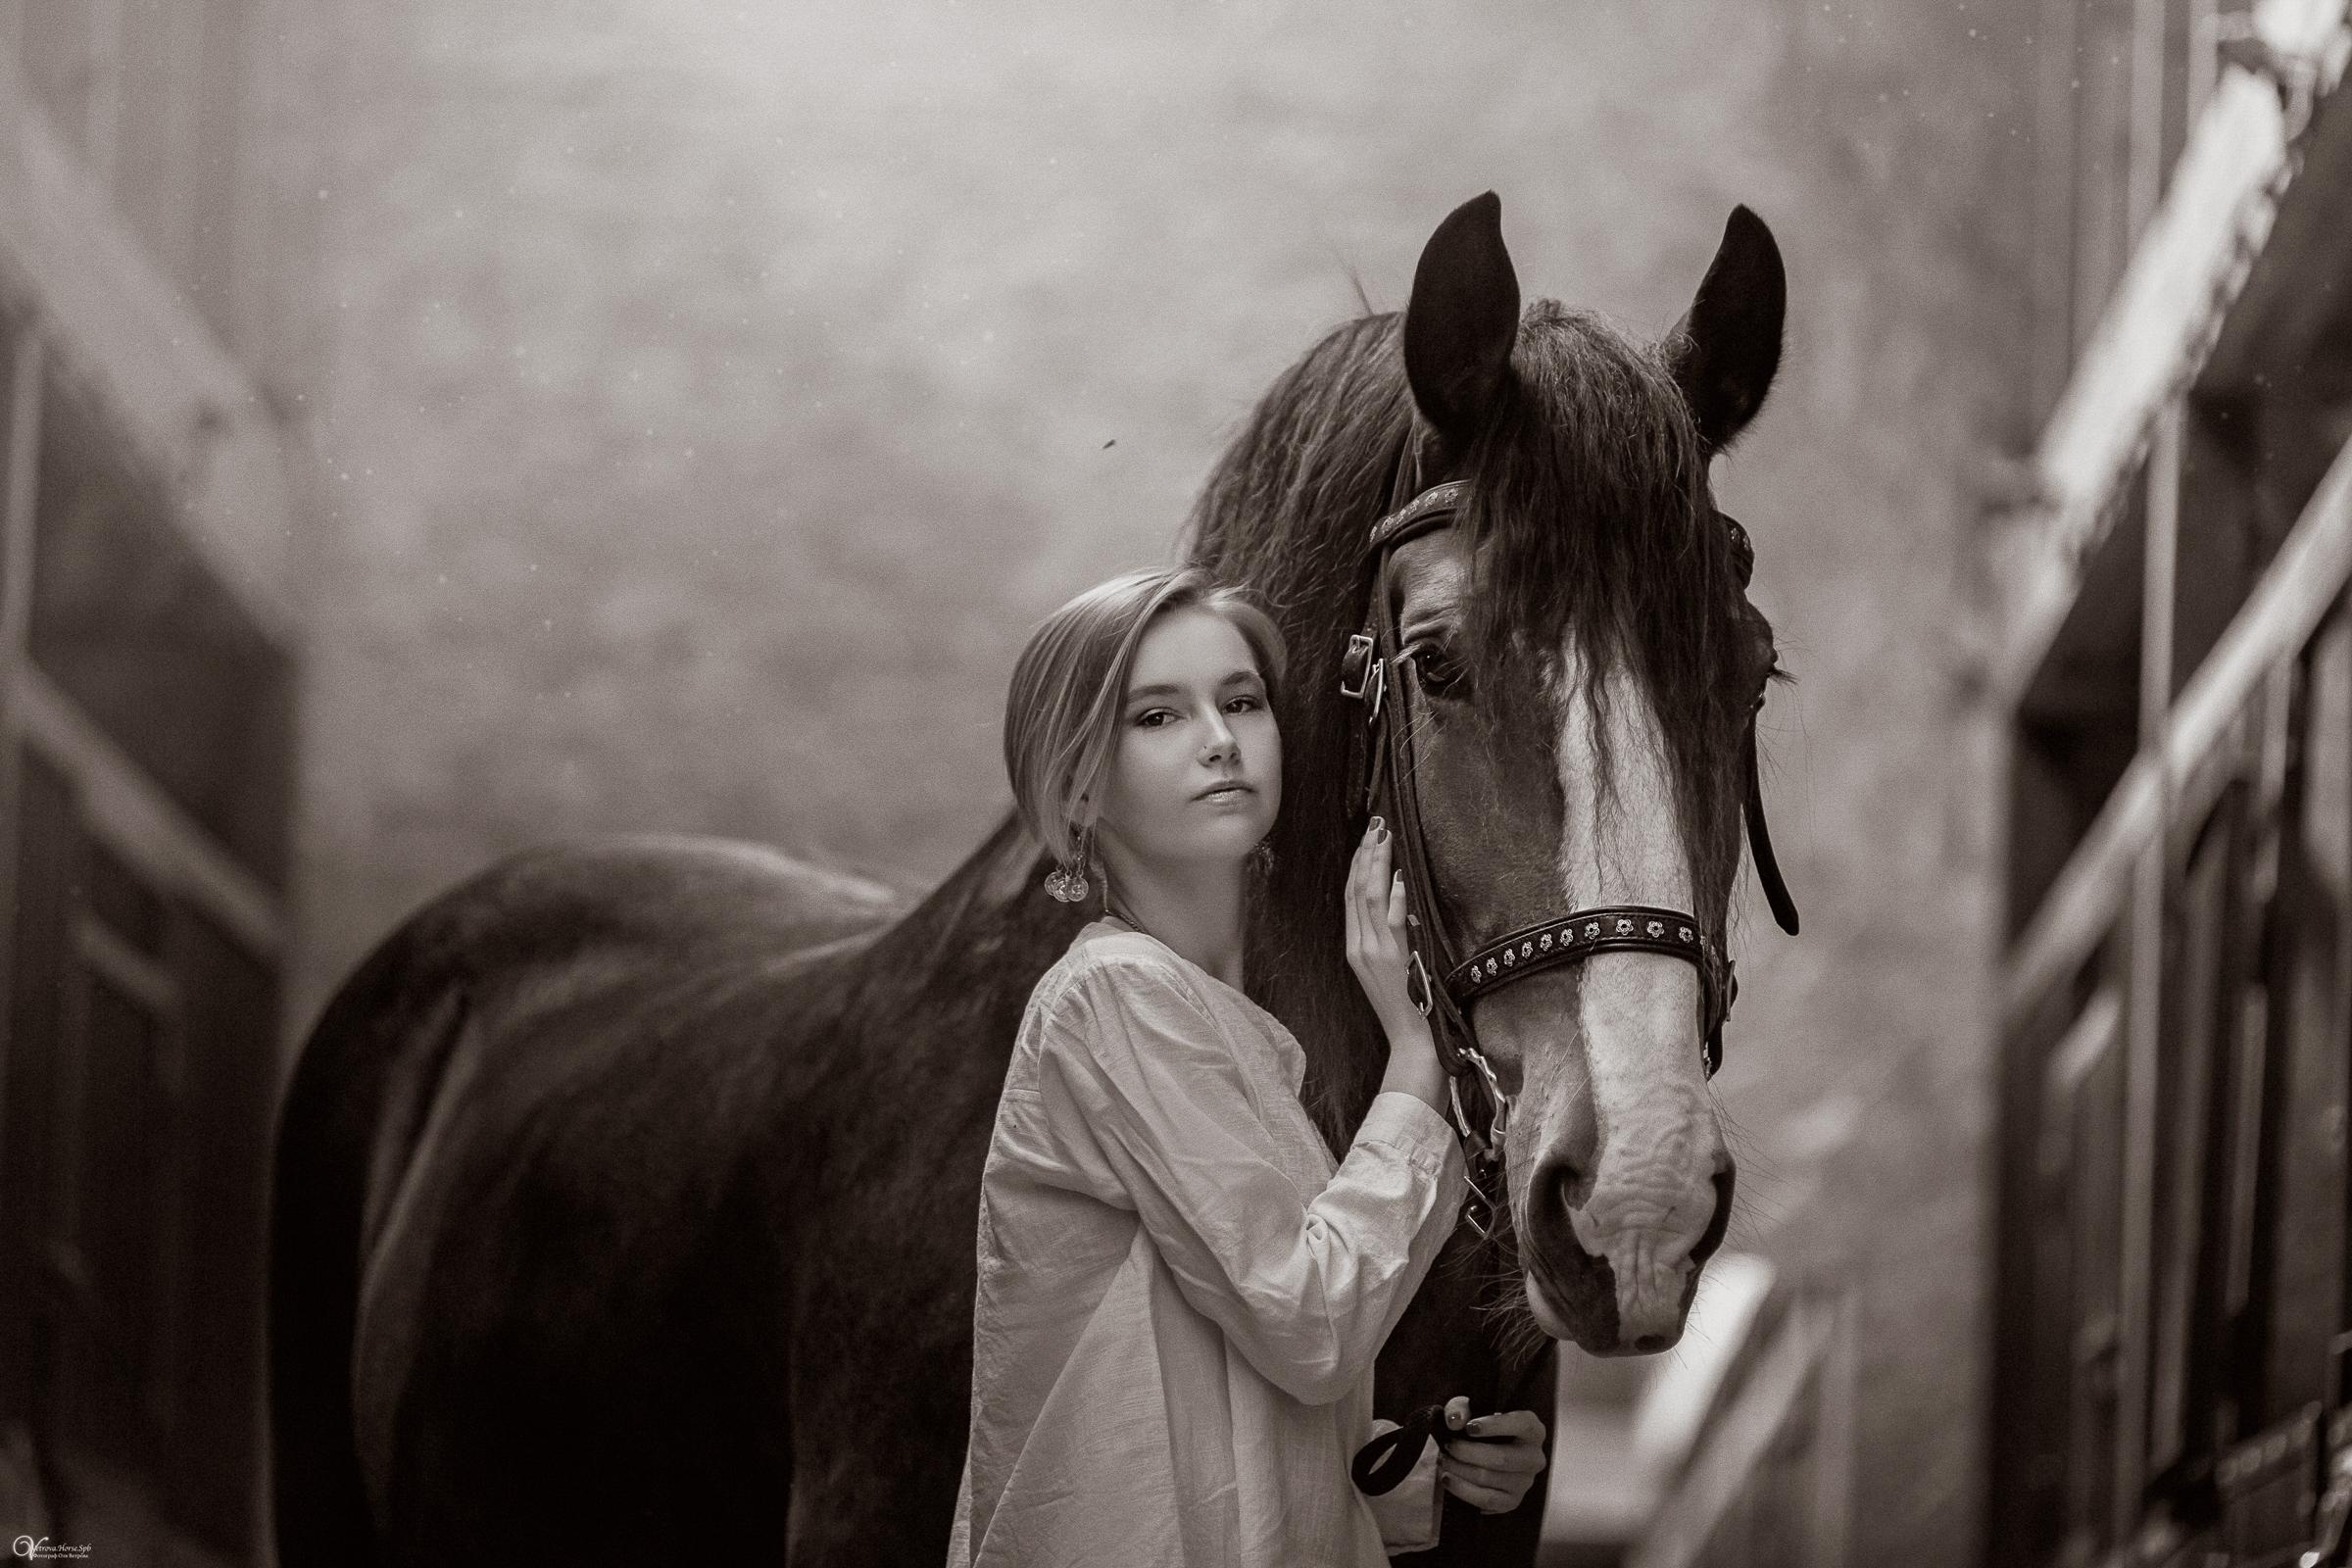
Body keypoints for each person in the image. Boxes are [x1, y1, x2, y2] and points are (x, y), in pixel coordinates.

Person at [948, 564, 1547, 1567]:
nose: (1221, 739)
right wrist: (1414, 1061)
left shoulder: (1216, 1025)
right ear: (1079, 784)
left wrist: (1430, 1470)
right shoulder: (1114, 1000)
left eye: (1239, 700)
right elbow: (1309, 1322)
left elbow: (1216, 1428)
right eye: (1158, 716)